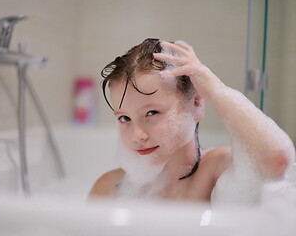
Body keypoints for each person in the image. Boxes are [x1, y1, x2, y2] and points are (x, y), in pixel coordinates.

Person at [88, 38, 295, 203]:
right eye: (124, 118)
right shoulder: (109, 188)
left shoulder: (214, 170)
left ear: (196, 104)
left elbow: (275, 160)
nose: (137, 135)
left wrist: (215, 88)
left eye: (152, 113)